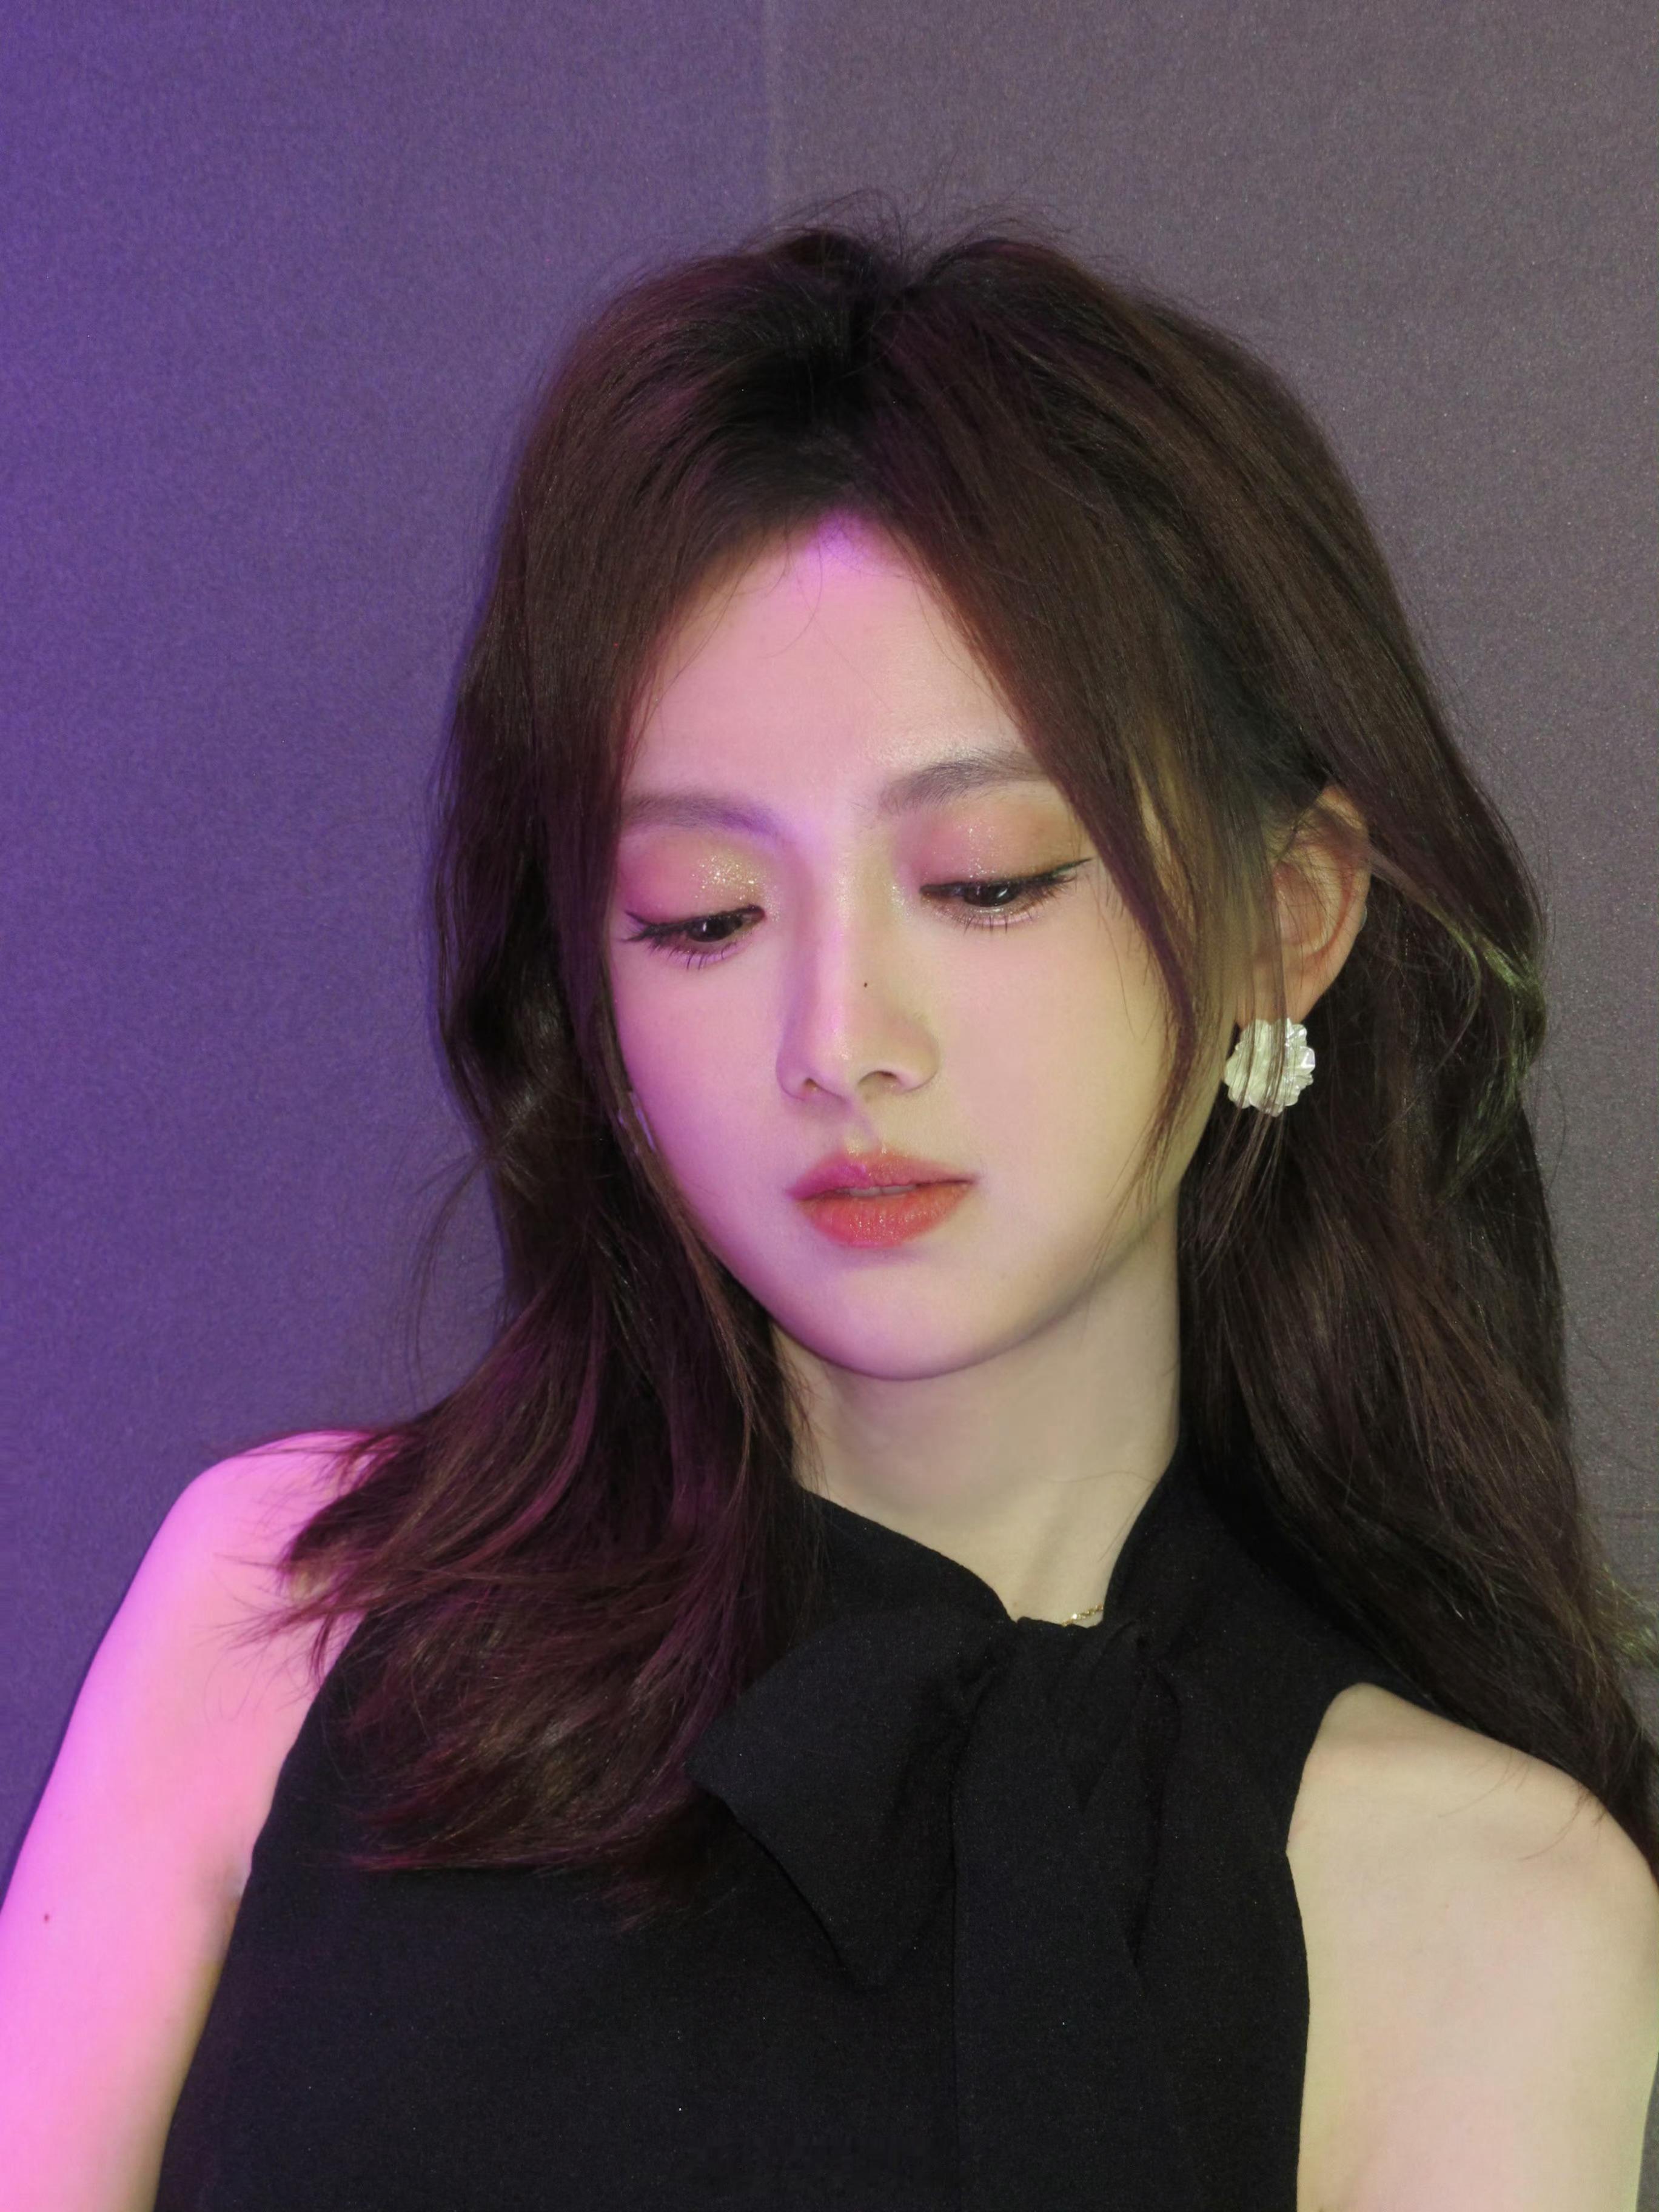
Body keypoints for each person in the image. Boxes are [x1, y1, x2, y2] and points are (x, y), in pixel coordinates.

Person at [1, 207, 1655, 2212]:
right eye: (703, 916)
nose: (839, 1042)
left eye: (986, 881)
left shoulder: (1480, 1908)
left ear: (1284, 920)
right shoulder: (286, 1614)